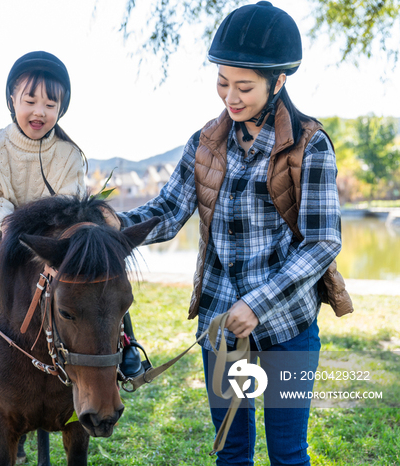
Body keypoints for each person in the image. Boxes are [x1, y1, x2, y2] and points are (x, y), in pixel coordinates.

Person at [105, 2, 352, 464]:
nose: (230, 98)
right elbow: (169, 209)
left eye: (244, 87)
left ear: (278, 82)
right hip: (220, 326)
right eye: (222, 83)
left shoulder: (310, 144)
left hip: (288, 327)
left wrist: (254, 305)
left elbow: (323, 242)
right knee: (232, 453)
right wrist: (112, 227)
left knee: (288, 454)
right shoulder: (205, 143)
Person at [0, 51, 149, 397]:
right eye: (30, 100)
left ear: (62, 108)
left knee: (99, 284)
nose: (39, 111)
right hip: (0, 235)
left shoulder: (69, 155)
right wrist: (8, 223)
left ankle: (127, 343)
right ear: (12, 99)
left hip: (56, 243)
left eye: (51, 104)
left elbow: (70, 204)